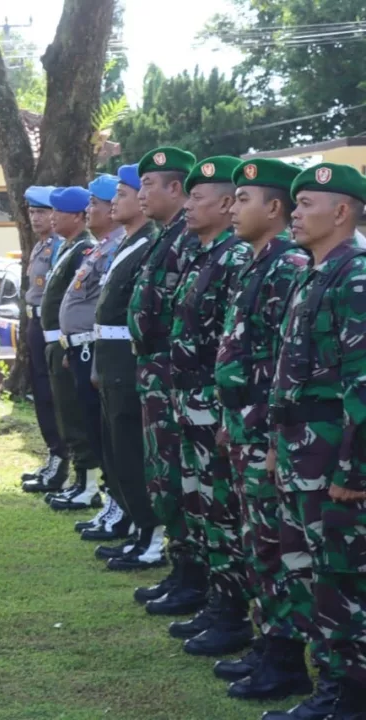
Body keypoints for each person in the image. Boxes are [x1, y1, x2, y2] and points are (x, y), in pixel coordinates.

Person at [266, 163, 366, 720]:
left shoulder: (355, 278)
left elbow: (364, 384)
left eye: (306, 204)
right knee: (308, 570)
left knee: (341, 578)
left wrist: (356, 471)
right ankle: (329, 685)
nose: (295, 213)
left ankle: (348, 698)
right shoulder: (314, 272)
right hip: (304, 449)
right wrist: (281, 442)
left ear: (342, 212)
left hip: (337, 458)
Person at [212, 159, 312, 701]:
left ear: (272, 208)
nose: (232, 207)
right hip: (245, 428)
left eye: (243, 198)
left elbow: (284, 362)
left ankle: (285, 658)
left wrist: (269, 433)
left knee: (275, 547)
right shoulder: (257, 263)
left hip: (270, 435)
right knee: (258, 543)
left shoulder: (286, 266)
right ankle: (267, 643)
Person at [167, 156, 254, 657]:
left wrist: (226, 411)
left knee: (224, 511)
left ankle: (232, 612)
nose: (189, 207)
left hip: (219, 409)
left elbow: (235, 344)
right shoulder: (207, 255)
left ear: (224, 204)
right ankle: (217, 603)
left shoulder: (235, 258)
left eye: (198, 198)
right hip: (193, 402)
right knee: (203, 505)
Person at [127, 147, 205, 616]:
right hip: (157, 374)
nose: (141, 195)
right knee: (164, 478)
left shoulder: (189, 240)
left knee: (181, 480)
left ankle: (196, 578)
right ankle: (182, 570)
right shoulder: (166, 236)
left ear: (175, 189)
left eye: (150, 185)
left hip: (176, 376)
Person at [89, 164, 166, 569]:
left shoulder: (151, 243)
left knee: (132, 450)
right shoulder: (128, 243)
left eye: (122, 193)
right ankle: (138, 528)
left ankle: (152, 534)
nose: (115, 201)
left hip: (128, 359)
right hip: (110, 358)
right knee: (117, 449)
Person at [53, 175, 121, 515]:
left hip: (95, 350)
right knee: (88, 426)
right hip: (79, 347)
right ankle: (105, 498)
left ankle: (111, 500)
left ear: (113, 210)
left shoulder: (117, 247)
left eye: (96, 204)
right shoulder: (100, 247)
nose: (90, 209)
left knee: (103, 432)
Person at [33, 186, 101, 510]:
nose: (52, 217)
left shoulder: (83, 249)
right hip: (59, 344)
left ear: (77, 216)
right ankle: (79, 480)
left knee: (76, 417)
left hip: (72, 344)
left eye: (58, 212)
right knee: (65, 415)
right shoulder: (68, 248)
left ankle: (88, 484)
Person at [19, 186, 68, 490]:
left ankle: (63, 458)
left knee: (53, 396)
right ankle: (53, 454)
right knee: (39, 392)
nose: (36, 218)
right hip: (33, 324)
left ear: (56, 214)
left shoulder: (60, 247)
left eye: (42, 212)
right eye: (32, 212)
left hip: (49, 327)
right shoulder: (40, 246)